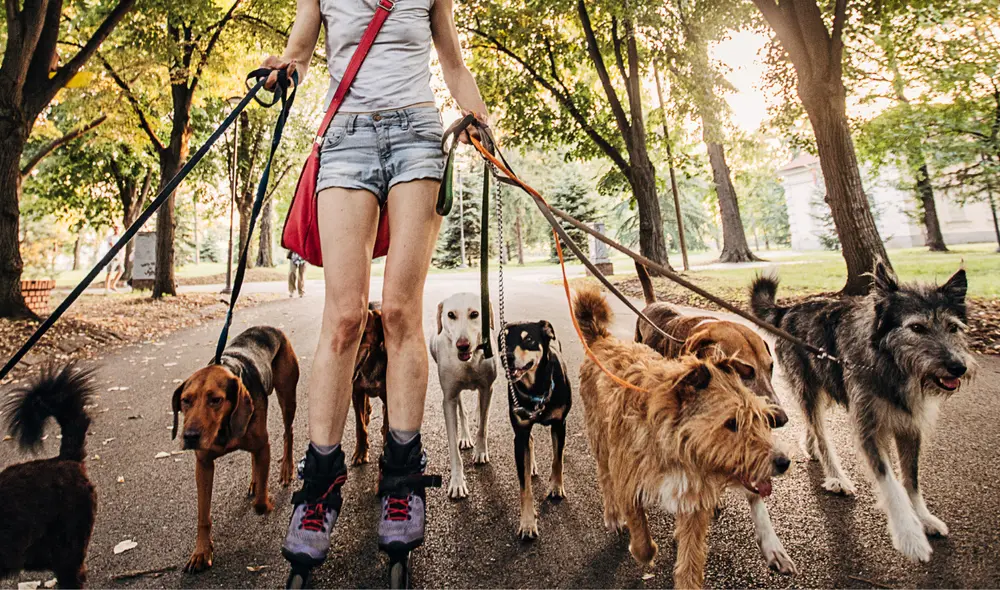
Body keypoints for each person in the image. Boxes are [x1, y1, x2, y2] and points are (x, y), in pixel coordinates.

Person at [261, 0, 489, 568]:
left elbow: (453, 63)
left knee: (400, 313)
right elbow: (300, 51)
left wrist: (480, 118)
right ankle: (319, 486)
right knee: (342, 318)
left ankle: (403, 477)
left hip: (418, 132)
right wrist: (285, 68)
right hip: (346, 140)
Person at [103, 226, 125, 294]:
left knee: (121, 270)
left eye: (118, 229)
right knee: (110, 272)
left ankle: (113, 285)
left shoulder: (120, 238)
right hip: (112, 257)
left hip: (119, 257)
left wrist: (122, 255)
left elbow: (122, 248)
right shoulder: (110, 237)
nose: (116, 230)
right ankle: (107, 288)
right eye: (115, 228)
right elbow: (113, 246)